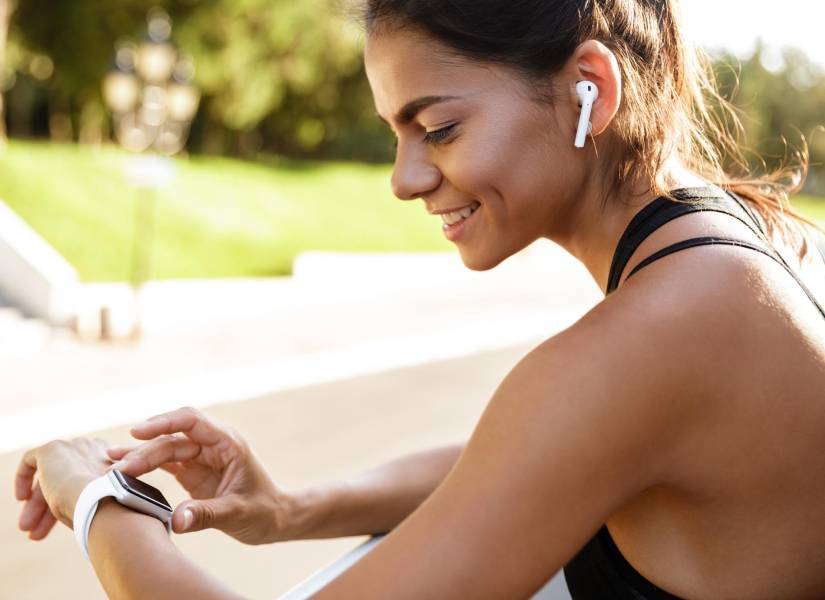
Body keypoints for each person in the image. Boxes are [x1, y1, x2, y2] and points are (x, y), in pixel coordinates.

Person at [15, 0, 825, 598]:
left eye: (436, 129)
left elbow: (563, 430)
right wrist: (290, 509)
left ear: (589, 89)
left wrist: (95, 497)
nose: (404, 180)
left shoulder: (660, 334)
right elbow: (532, 461)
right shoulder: (742, 250)